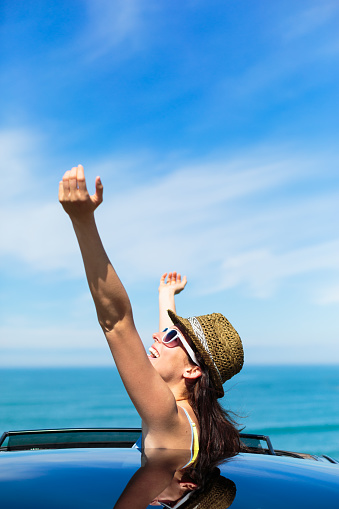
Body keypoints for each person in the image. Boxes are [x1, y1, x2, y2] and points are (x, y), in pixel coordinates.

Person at [59, 164, 244, 473]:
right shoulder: (188, 417)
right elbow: (171, 346)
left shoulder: (165, 415)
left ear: (193, 371)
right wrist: (166, 296)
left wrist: (83, 221)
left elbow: (116, 323)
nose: (158, 336)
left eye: (172, 337)